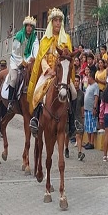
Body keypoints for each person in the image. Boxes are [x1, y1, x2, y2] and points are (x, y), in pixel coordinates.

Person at [27, 8, 73, 136]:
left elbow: (69, 57)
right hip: (48, 73)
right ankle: (35, 119)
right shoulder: (45, 40)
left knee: (74, 93)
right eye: (55, 21)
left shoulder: (66, 39)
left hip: (62, 73)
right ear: (51, 23)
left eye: (60, 21)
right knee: (38, 91)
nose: (58, 23)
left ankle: (73, 122)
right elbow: (41, 59)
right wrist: (48, 70)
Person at [7, 16, 38, 110]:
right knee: (14, 79)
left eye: (31, 26)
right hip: (16, 62)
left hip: (28, 62)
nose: (29, 28)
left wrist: (33, 59)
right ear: (25, 26)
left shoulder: (34, 38)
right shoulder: (19, 36)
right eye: (27, 26)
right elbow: (15, 52)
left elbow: (36, 50)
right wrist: (22, 62)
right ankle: (10, 102)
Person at [83, 66, 99, 150]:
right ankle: (89, 142)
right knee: (87, 126)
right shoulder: (88, 86)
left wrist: (94, 107)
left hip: (91, 108)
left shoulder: (95, 85)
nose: (87, 78)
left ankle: (92, 142)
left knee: (92, 126)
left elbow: (96, 97)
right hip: (86, 108)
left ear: (91, 77)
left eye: (88, 76)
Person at [71, 75, 85, 161]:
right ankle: (66, 148)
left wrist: (82, 116)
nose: (76, 83)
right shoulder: (69, 92)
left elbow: (82, 106)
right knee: (67, 135)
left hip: (78, 116)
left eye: (77, 81)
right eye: (75, 81)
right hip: (70, 116)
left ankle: (79, 152)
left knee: (78, 135)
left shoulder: (81, 94)